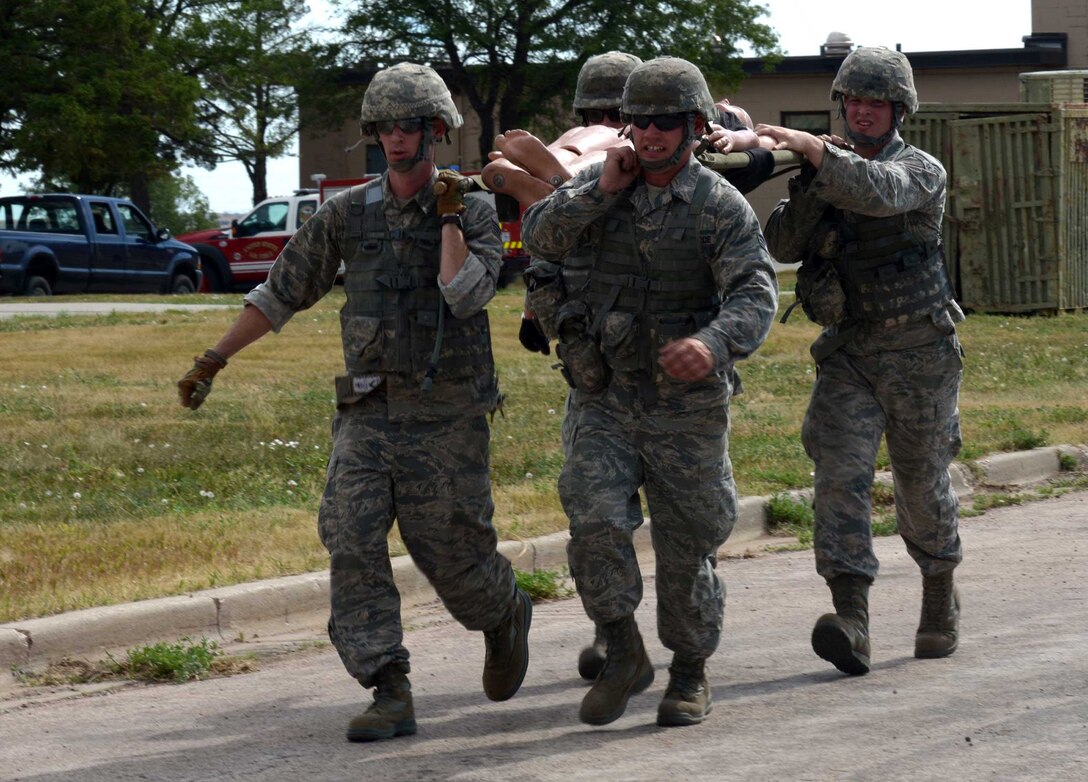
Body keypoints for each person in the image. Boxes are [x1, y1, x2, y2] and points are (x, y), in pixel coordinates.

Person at [176, 62, 532, 741]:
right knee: (349, 533)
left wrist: (451, 220)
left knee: (451, 554)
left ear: (434, 131)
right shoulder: (347, 215)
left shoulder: (478, 212)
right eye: (384, 128)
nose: (396, 139)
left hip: (448, 416)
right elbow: (280, 290)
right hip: (368, 412)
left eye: (409, 126)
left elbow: (462, 294)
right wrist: (213, 359)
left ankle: (503, 610)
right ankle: (388, 684)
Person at [521, 56, 778, 728]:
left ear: (695, 125)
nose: (652, 132)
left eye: (667, 121)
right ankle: (625, 648)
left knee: (686, 546)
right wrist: (601, 187)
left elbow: (755, 293)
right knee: (594, 520)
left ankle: (689, 670)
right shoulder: (596, 185)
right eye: (640, 120)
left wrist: (712, 344)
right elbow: (540, 239)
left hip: (684, 407)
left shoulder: (716, 205)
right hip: (604, 397)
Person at [756, 46, 963, 677]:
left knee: (921, 484)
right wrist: (808, 177)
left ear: (899, 110)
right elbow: (784, 243)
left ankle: (937, 594)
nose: (864, 112)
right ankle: (852, 617)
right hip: (851, 356)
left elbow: (880, 193)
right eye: (855, 102)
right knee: (838, 480)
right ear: (841, 105)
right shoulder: (823, 168)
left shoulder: (920, 170)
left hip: (920, 356)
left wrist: (821, 155)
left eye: (877, 103)